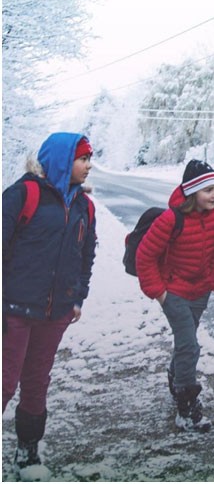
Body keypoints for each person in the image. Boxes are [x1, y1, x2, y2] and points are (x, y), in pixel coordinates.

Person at [2, 132, 97, 477]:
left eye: (89, 159)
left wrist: (77, 297)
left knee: (36, 381)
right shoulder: (24, 194)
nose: (88, 166)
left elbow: (85, 254)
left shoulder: (85, 205)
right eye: (82, 158)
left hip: (55, 313)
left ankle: (27, 451)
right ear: (61, 159)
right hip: (13, 309)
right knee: (4, 382)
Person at [136, 159, 214, 432]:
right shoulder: (171, 218)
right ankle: (187, 408)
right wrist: (160, 293)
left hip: (200, 291)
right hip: (173, 290)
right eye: (208, 190)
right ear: (192, 192)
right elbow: (145, 256)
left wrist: (212, 282)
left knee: (184, 342)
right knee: (189, 345)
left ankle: (175, 376)